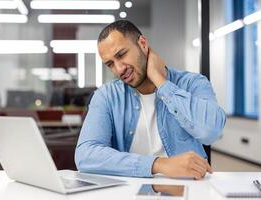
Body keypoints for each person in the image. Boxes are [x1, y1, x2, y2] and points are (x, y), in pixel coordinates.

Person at [74, 20, 226, 179]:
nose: (119, 69)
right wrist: (158, 164)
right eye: (110, 64)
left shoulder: (193, 83)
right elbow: (85, 155)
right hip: (128, 190)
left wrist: (161, 82)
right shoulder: (107, 96)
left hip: (187, 186)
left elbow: (211, 131)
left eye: (121, 54)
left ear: (143, 44)